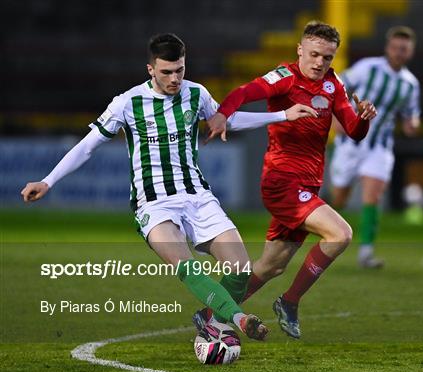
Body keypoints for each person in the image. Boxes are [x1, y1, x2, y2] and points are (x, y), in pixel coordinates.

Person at [20, 33, 318, 340]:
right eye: (166, 72)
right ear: (150, 69)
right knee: (185, 263)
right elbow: (87, 146)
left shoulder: (196, 94)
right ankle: (240, 320)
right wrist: (48, 180)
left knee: (241, 269)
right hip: (154, 203)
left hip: (197, 196)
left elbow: (225, 120)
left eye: (180, 70)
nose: (175, 78)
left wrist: (282, 115)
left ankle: (211, 322)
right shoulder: (127, 103)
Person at [199, 21, 377, 339]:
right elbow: (244, 92)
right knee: (340, 234)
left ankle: (210, 313)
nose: (320, 62)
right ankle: (290, 301)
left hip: (307, 187)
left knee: (271, 266)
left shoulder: (333, 84)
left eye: (327, 57)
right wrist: (223, 113)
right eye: (314, 54)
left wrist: (363, 119)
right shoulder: (284, 77)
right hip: (282, 183)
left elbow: (353, 131)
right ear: (300, 50)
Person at [329, 26, 421, 269]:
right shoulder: (367, 68)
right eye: (396, 48)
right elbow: (337, 85)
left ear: (410, 52)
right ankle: (316, 233)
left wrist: (412, 124)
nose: (400, 53)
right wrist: (337, 118)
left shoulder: (410, 84)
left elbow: (412, 113)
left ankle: (366, 253)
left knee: (373, 196)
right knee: (339, 198)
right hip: (349, 142)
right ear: (388, 48)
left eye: (405, 49)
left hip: (379, 147)